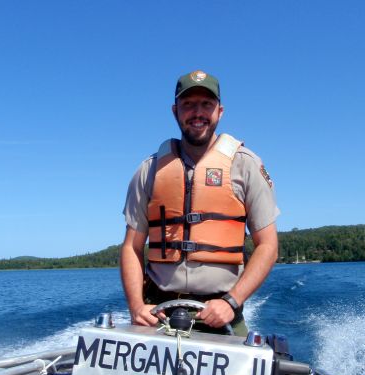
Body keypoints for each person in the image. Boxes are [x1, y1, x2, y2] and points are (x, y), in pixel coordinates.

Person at [120, 70, 279, 336]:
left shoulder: (246, 165)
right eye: (188, 104)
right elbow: (131, 247)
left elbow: (268, 246)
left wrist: (232, 301)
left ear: (220, 111)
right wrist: (136, 305)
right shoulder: (149, 170)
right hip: (157, 314)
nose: (198, 113)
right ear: (175, 111)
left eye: (206, 104)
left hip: (222, 315)